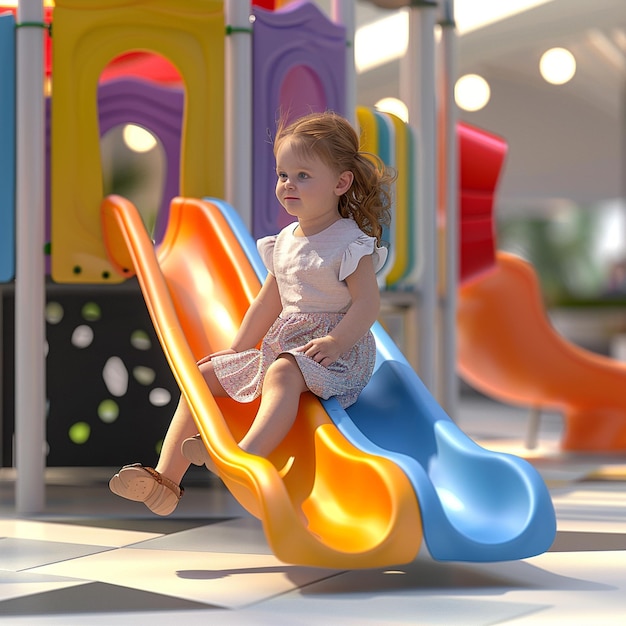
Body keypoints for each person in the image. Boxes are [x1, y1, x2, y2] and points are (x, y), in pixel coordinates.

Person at [109, 111, 394, 515]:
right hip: (285, 348)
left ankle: (246, 456)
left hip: (335, 355)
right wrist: (237, 349)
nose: (288, 184)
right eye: (282, 175)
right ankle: (166, 480)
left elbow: (367, 304)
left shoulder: (349, 242)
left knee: (281, 371)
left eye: (303, 176)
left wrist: (335, 341)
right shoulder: (285, 241)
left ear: (341, 183)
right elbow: (267, 302)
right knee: (202, 376)